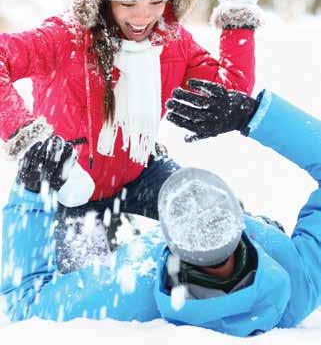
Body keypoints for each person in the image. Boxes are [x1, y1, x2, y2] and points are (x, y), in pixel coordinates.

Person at [0, 0, 262, 272]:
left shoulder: (169, 40)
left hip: (140, 172)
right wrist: (27, 135)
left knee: (214, 218)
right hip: (71, 188)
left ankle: (260, 255)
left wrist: (237, 22)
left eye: (155, 1)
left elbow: (227, 90)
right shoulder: (64, 38)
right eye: (128, 4)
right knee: (94, 286)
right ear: (104, 0)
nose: (143, 17)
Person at [2, 80, 321, 338]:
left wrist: (30, 194)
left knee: (81, 237)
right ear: (241, 227)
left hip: (96, 245)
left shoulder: (130, 292)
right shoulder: (298, 284)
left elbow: (25, 304)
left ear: (170, 241)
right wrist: (252, 114)